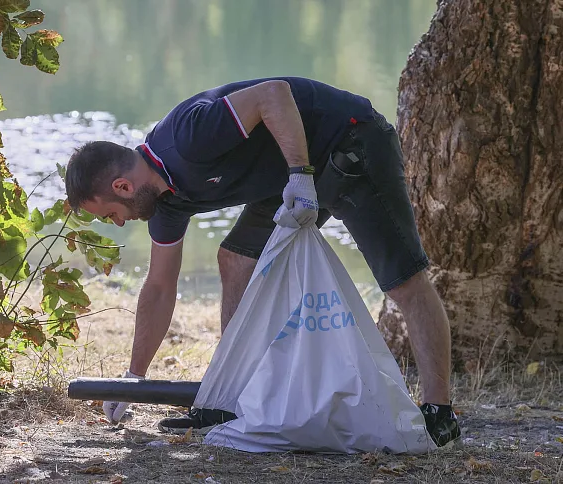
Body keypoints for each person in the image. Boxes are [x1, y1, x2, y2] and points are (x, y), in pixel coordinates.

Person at [63, 77, 461, 448]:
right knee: (235, 259)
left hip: (352, 140)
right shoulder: (166, 205)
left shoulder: (187, 138)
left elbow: (274, 94)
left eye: (109, 214)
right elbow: (159, 286)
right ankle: (231, 398)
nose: (117, 223)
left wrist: (300, 175)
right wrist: (133, 378)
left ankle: (438, 414)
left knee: (403, 282)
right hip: (291, 174)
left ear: (122, 186)